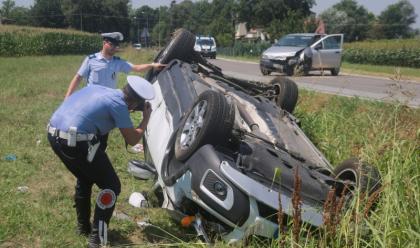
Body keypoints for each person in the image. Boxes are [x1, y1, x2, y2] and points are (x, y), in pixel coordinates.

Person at [47, 76, 154, 248]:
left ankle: (83, 228)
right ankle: (96, 239)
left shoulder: (99, 89)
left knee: (86, 176)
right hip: (75, 141)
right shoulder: (119, 105)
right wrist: (146, 117)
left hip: (54, 135)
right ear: (134, 103)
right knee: (112, 185)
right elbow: (133, 139)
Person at [65, 32, 164, 98]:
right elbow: (78, 78)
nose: (114, 48)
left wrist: (152, 65)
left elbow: (136, 68)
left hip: (108, 99)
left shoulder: (118, 62)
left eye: (116, 45)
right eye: (112, 44)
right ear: (104, 43)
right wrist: (67, 98)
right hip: (92, 99)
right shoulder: (91, 60)